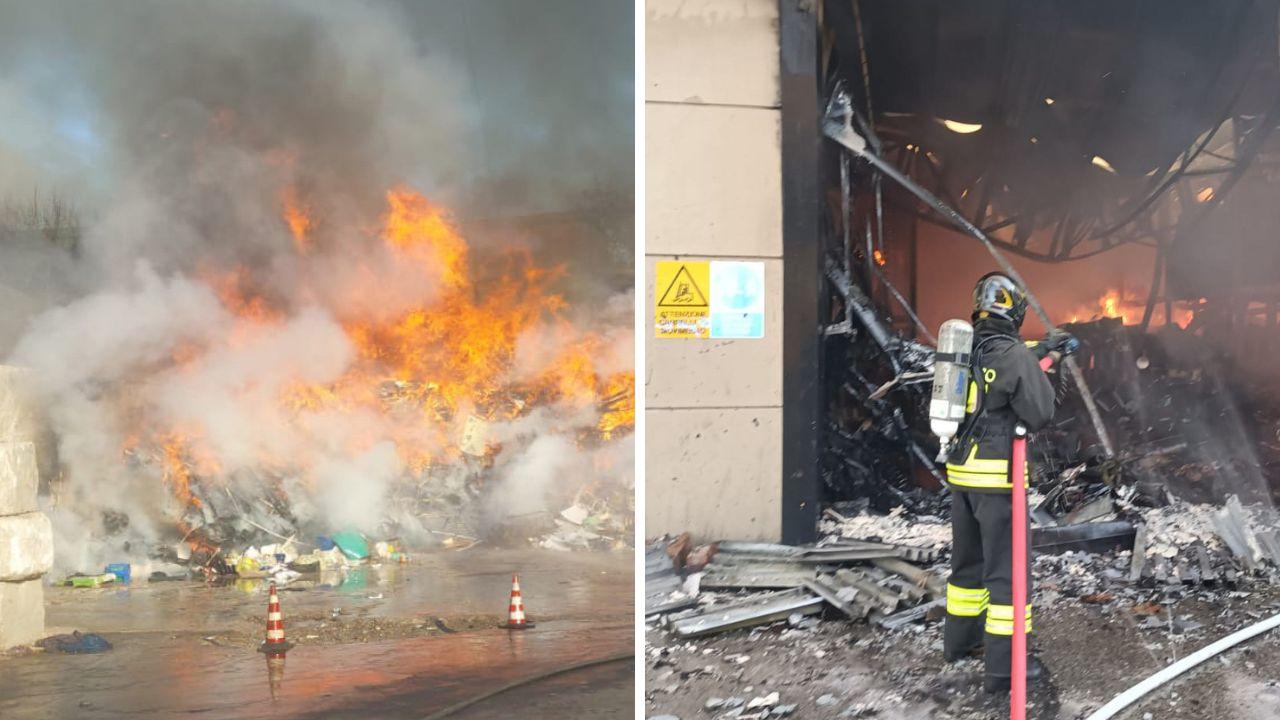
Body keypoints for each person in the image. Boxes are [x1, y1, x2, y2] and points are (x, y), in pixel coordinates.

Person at [941, 271, 1077, 693]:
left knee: (968, 566)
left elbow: (1003, 371)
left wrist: (1045, 351)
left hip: (962, 477)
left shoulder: (967, 348)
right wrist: (1049, 363)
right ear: (1015, 310)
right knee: (1008, 574)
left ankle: (960, 645)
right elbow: (1038, 412)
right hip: (998, 482)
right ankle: (1005, 670)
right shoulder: (1012, 353)